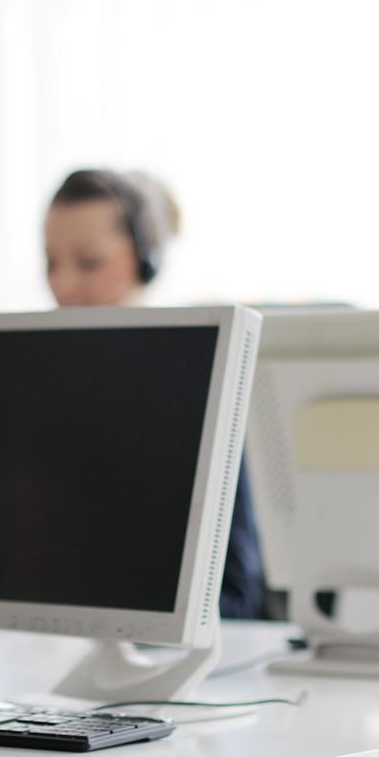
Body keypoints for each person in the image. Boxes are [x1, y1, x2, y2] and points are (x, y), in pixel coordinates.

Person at [44, 168, 278, 620]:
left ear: (146, 258)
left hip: (171, 649)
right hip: (57, 645)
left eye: (89, 262)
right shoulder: (43, 388)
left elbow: (233, 592)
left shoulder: (199, 385)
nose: (64, 284)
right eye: (51, 263)